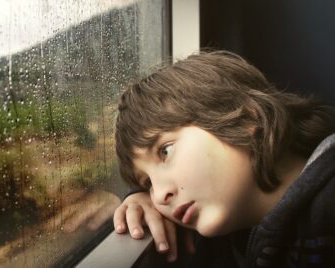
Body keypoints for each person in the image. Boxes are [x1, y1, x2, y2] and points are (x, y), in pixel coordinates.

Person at [112, 51, 335, 267]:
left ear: (246, 117)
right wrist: (139, 197)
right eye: (148, 182)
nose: (159, 196)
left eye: (165, 151)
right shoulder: (230, 228)